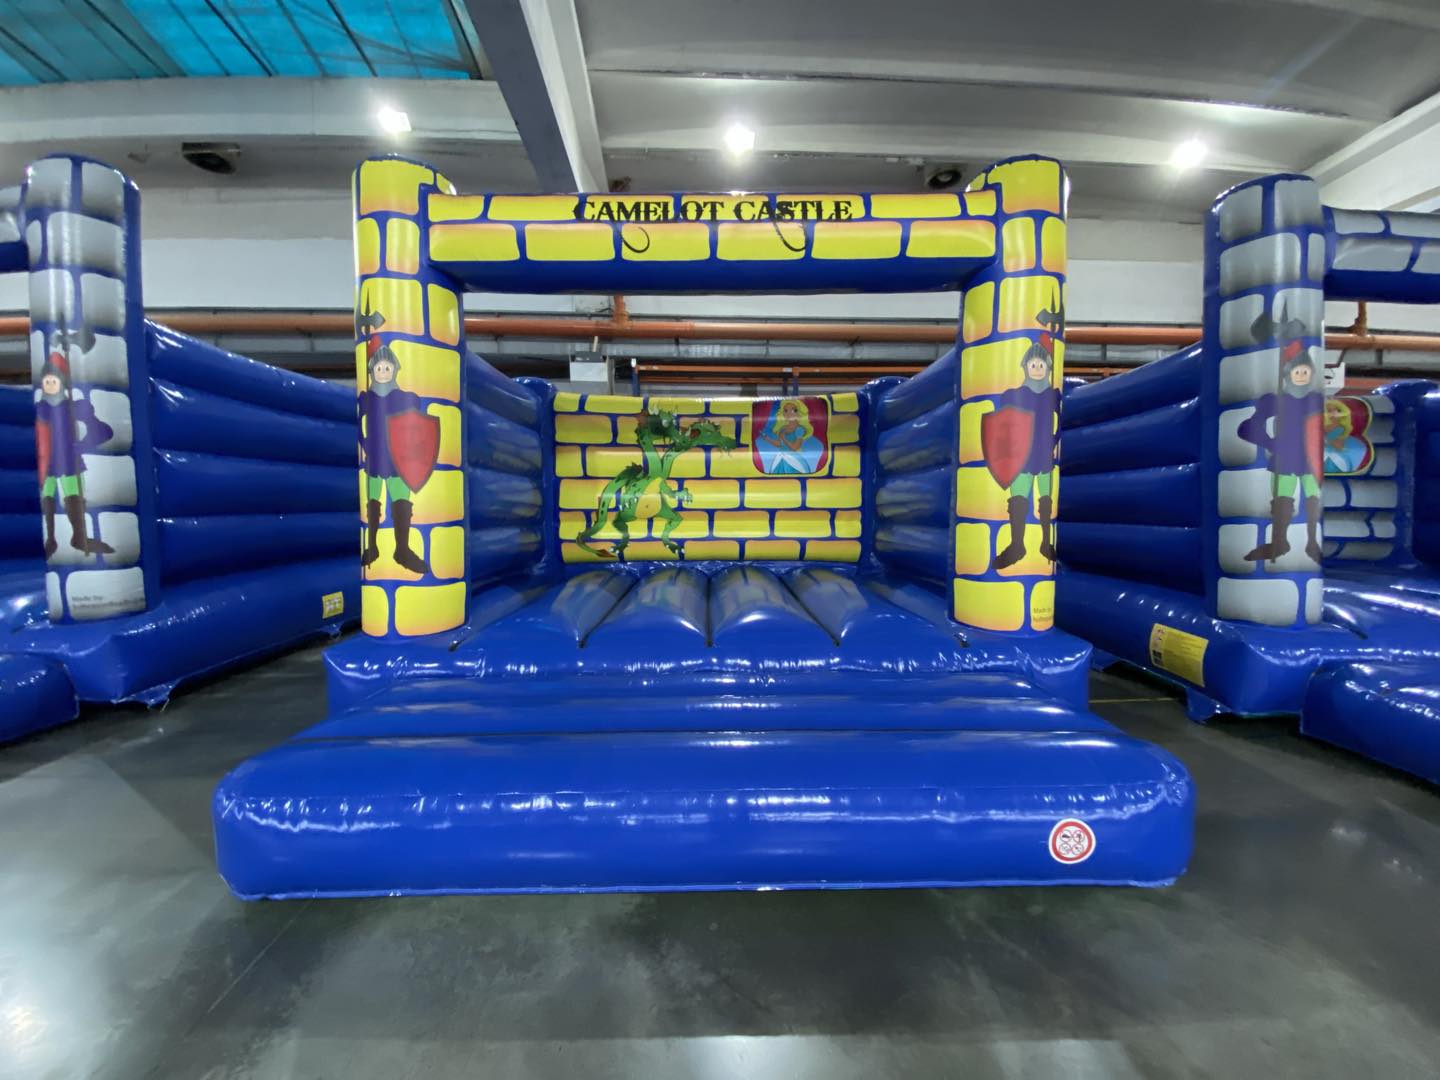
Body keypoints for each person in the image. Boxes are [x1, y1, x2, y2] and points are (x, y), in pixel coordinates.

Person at [1237, 345, 1323, 563]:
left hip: (1310, 460)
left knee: (1313, 500)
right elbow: (1246, 428)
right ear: (1288, 374)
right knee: (1282, 502)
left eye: (1306, 372)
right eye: (1297, 372)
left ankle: (1312, 544)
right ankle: (1279, 543)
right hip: (1285, 459)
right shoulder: (1276, 401)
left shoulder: (1315, 401)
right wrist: (1272, 444)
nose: (1302, 376)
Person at [35, 348, 114, 557]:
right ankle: (51, 540)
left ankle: (79, 537)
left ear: (62, 383)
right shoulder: (41, 409)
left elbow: (105, 432)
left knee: (74, 496)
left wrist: (83, 443)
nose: (50, 385)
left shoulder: (74, 407)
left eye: (54, 381)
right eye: (47, 381)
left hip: (69, 461)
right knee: (48, 497)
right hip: (48, 463)